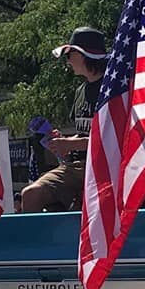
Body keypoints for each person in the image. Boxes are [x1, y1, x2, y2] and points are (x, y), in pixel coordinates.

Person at [21, 27, 108, 213]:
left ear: (86, 55)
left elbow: (112, 138)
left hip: (106, 167)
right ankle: (39, 242)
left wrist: (70, 144)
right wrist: (63, 140)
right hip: (77, 166)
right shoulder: (80, 91)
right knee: (30, 194)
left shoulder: (112, 90)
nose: (67, 60)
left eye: (70, 53)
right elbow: (85, 132)